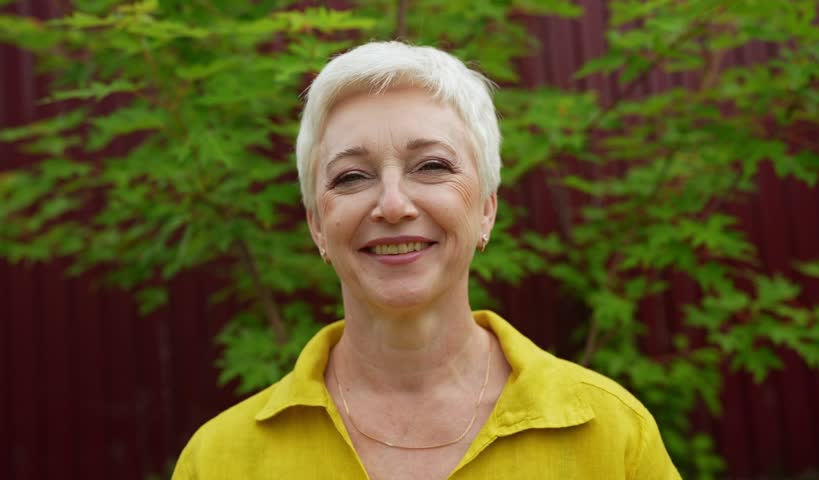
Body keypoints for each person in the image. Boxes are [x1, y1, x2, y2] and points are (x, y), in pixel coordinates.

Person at [172, 41, 681, 480]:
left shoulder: (611, 435)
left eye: (432, 166)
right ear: (317, 226)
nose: (393, 205)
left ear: (486, 209)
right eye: (352, 176)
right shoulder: (219, 460)